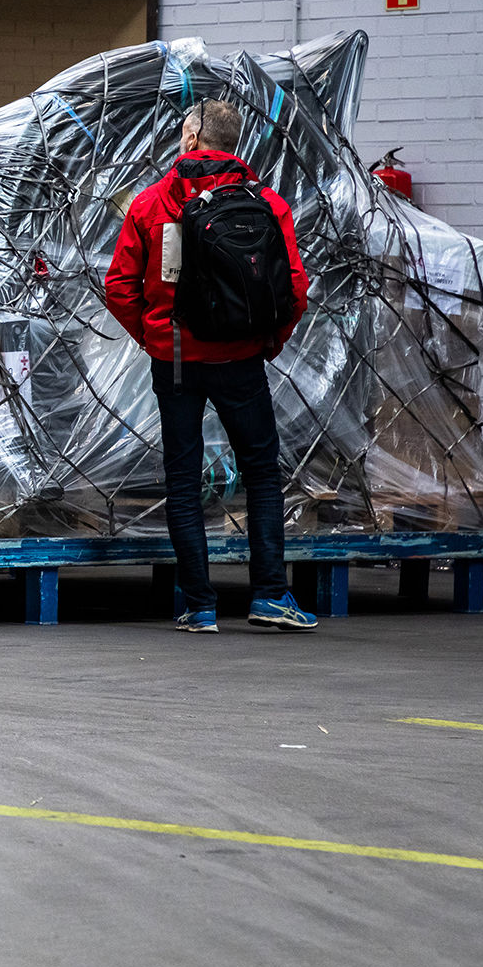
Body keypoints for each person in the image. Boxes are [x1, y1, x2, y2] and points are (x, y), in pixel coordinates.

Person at [104, 99, 316, 632]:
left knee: (182, 477)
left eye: (182, 132)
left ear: (193, 137)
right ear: (234, 142)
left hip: (175, 358)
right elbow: (295, 289)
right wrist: (266, 342)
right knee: (263, 474)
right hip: (242, 357)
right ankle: (269, 595)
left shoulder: (152, 203)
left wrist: (156, 339)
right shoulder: (267, 202)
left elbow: (119, 288)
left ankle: (199, 605)